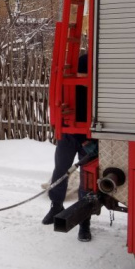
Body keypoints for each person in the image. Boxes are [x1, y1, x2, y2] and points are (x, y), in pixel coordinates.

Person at [42, 53, 95, 242]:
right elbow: (59, 103)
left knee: (87, 180)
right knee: (61, 171)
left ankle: (84, 223)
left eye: (83, 73)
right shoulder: (69, 75)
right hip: (68, 133)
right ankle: (56, 206)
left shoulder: (98, 80)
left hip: (89, 137)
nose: (80, 76)